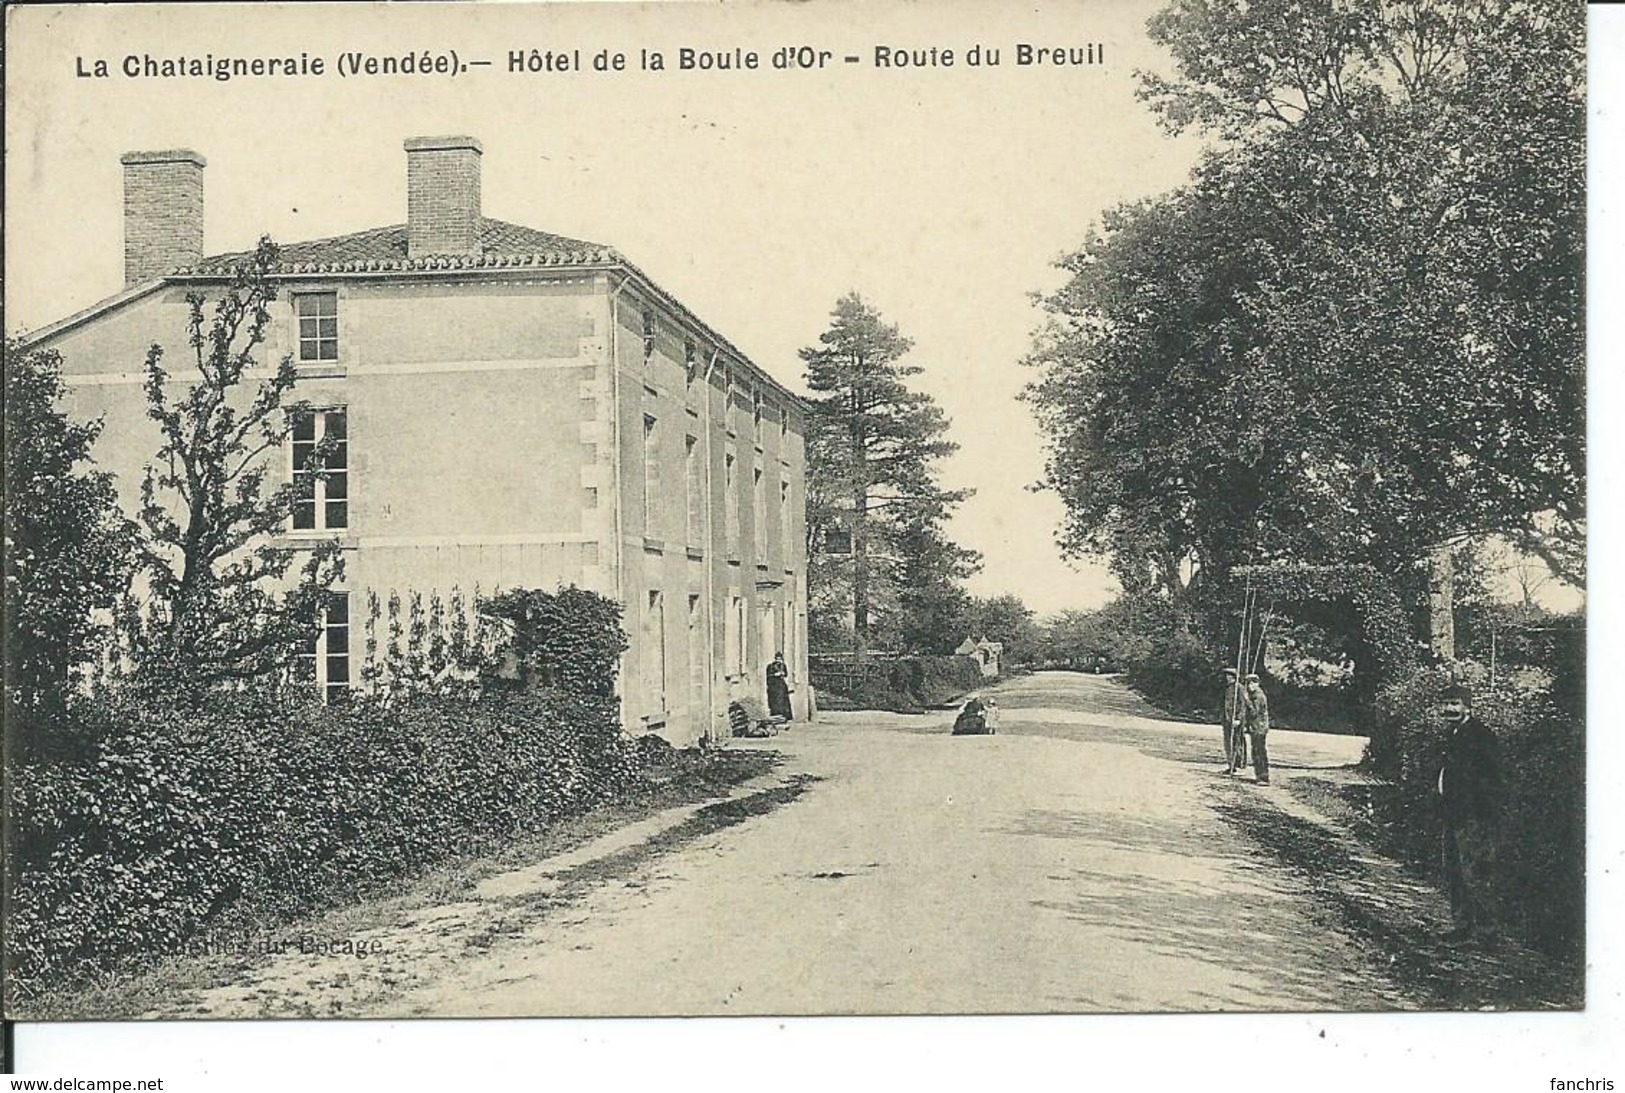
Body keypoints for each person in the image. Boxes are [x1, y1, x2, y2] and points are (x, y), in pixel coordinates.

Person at [1436, 682, 1502, 944]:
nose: (1450, 708)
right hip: (1453, 814)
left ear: (1468, 706)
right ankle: (1462, 927)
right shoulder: (1453, 734)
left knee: (1476, 873)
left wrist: (1480, 812)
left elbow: (1494, 778)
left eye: (1455, 703)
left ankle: (1487, 933)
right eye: (1447, 703)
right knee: (1454, 871)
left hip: (1473, 817)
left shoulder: (1481, 736)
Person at [1241, 673, 1270, 785]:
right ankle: (1260, 775)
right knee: (1256, 751)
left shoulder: (1258, 696)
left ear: (1257, 683)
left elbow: (1254, 713)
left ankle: (1263, 777)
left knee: (1259, 752)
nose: (1249, 686)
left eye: (1252, 683)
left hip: (1259, 727)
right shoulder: (1255, 695)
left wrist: (1246, 701)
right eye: (1248, 684)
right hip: (1256, 727)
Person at [1220, 667, 1245, 773]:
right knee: (1228, 742)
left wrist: (1239, 718)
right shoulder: (1228, 688)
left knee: (1236, 742)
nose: (1227, 677)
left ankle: (1238, 763)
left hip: (1236, 720)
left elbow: (1243, 704)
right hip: (1227, 719)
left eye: (1229, 675)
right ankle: (1231, 765)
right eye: (1227, 675)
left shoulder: (1239, 688)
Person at [765, 652, 793, 721]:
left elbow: (786, 674)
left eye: (780, 659)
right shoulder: (771, 666)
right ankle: (776, 714)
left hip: (781, 685)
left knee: (783, 701)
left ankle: (784, 715)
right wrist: (775, 675)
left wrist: (782, 674)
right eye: (777, 659)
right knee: (775, 700)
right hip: (774, 685)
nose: (778, 660)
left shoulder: (783, 666)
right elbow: (768, 676)